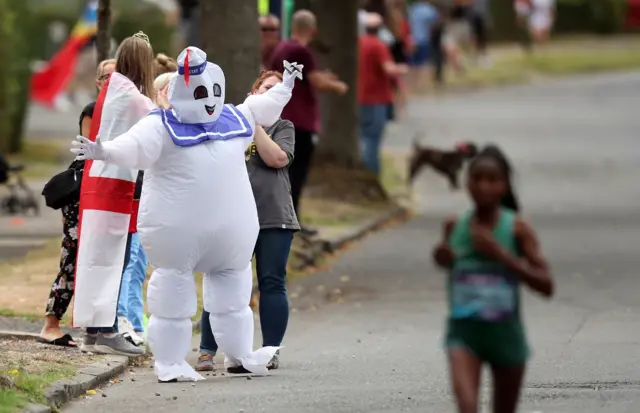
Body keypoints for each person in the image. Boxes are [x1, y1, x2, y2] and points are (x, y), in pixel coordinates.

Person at [70, 46, 302, 382]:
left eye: (213, 92)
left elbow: (261, 107)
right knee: (173, 296)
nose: (208, 100)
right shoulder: (161, 126)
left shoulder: (235, 118)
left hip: (231, 237)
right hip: (178, 236)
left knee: (234, 296)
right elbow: (132, 146)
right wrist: (102, 150)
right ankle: (171, 360)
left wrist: (286, 86)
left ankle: (240, 353)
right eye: (200, 92)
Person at [432, 145, 554, 413]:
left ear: (505, 186)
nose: (483, 187)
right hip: (464, 334)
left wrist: (503, 256)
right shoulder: (455, 225)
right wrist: (443, 257)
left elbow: (546, 285)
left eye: (492, 180)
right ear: (466, 182)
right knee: (467, 407)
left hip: (506, 336)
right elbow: (446, 259)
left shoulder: (518, 229)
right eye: (476, 179)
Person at [197, 70, 300, 372]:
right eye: (267, 88)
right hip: (232, 216)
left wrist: (252, 123)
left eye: (277, 91)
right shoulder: (227, 123)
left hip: (273, 217)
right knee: (222, 278)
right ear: (254, 92)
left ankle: (270, 350)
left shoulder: (284, 126)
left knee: (271, 281)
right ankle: (207, 350)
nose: (271, 94)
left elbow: (276, 158)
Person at [74, 32, 156, 357]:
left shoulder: (113, 91)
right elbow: (158, 125)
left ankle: (93, 331)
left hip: (98, 184)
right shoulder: (135, 98)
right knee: (114, 260)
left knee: (96, 257)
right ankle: (107, 330)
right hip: (117, 187)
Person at [37, 59, 115, 348]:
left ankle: (91, 326)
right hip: (84, 192)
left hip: (104, 191)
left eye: (117, 76)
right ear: (97, 82)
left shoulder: (122, 110)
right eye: (106, 76)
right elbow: (89, 149)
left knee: (95, 260)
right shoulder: (93, 111)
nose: (111, 80)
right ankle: (51, 324)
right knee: (71, 260)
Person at [115, 55, 180, 342]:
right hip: (139, 200)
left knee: (142, 263)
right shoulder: (152, 119)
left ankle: (136, 317)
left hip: (158, 201)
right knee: (134, 261)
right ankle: (131, 320)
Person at [270, 9, 348, 237]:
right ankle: (292, 220)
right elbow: (316, 82)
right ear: (313, 31)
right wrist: (337, 86)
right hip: (300, 121)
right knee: (298, 173)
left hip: (282, 117)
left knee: (286, 172)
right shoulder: (301, 51)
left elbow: (305, 77)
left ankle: (284, 217)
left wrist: (324, 78)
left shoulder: (282, 49)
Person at [358, 13, 408, 176]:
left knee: (364, 136)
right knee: (372, 140)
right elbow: (389, 69)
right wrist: (403, 68)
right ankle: (372, 174)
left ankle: (363, 171)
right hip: (377, 99)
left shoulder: (359, 43)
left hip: (361, 97)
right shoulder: (379, 45)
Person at [407, 0, 439, 92]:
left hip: (412, 40)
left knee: (413, 63)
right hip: (424, 39)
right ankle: (422, 85)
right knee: (423, 63)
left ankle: (413, 84)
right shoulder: (429, 10)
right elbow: (435, 20)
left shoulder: (413, 9)